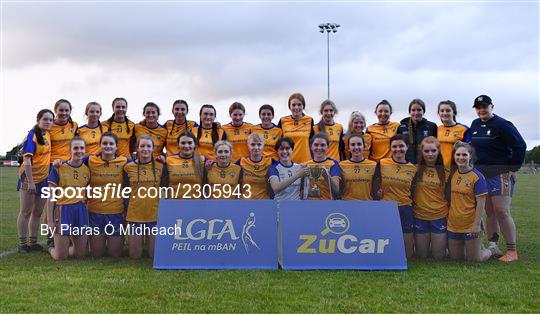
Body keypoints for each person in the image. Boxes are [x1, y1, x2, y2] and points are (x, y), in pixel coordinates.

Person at [469, 95, 526, 262]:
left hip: (499, 174)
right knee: (490, 212)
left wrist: (513, 168)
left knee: (502, 211)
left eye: (485, 106)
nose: (481, 109)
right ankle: (493, 246)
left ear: (491, 106)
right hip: (481, 175)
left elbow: (520, 145)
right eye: (478, 107)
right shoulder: (475, 124)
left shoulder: (503, 125)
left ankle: (512, 251)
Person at [85, 132, 130, 257]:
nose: (108, 146)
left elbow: (143, 164)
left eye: (111, 144)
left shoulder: (124, 161)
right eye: (104, 143)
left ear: (116, 147)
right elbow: (73, 163)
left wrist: (161, 160)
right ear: (100, 145)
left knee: (115, 254)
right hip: (94, 212)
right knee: (96, 254)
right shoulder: (90, 160)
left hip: (116, 213)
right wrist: (58, 163)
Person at [447, 142, 493, 262]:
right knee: (456, 259)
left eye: (464, 155)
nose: (460, 158)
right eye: (458, 154)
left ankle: (491, 250)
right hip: (453, 224)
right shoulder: (452, 174)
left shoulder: (477, 177)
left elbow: (481, 204)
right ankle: (474, 246)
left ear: (470, 156)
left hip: (470, 224)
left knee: (474, 260)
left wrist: (476, 225)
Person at [124, 135, 168, 259]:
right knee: (135, 256)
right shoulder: (128, 167)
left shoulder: (161, 166)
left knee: (153, 255)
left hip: (154, 214)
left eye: (148, 146)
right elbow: (124, 190)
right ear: (137, 148)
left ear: (153, 148)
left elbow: (166, 187)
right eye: (142, 146)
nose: (145, 149)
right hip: (135, 214)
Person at [46, 137, 90, 260]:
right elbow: (51, 196)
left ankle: (64, 246)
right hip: (63, 210)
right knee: (61, 257)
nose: (79, 151)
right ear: (69, 150)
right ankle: (50, 247)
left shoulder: (87, 170)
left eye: (82, 148)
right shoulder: (58, 167)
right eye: (75, 148)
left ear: (85, 150)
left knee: (80, 255)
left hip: (81, 210)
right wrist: (49, 220)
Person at [17, 109, 54, 253]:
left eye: (51, 120)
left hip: (44, 178)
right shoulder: (32, 135)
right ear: (38, 120)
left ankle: (33, 242)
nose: (48, 122)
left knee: (37, 212)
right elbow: (26, 160)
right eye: (45, 119)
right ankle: (22, 243)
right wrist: (31, 182)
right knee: (25, 211)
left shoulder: (48, 134)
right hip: (29, 178)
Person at [378, 134, 417, 258]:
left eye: (401, 146)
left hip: (405, 207)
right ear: (390, 148)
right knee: (385, 238)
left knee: (408, 254)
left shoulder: (413, 168)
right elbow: (374, 183)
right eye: (394, 146)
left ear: (407, 147)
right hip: (386, 207)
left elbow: (415, 190)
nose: (398, 149)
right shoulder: (382, 163)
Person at [413, 137, 448, 259]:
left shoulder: (446, 171)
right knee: (422, 255)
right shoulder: (414, 170)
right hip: (420, 216)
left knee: (438, 256)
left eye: (433, 151)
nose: (430, 154)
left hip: (439, 216)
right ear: (421, 152)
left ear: (438, 151)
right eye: (426, 151)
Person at [397, 99, 437, 164]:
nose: (416, 113)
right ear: (409, 112)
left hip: (425, 165)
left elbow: (436, 147)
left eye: (419, 110)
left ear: (423, 111)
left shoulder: (432, 127)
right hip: (406, 165)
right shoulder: (402, 127)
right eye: (413, 110)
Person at [166, 131, 205, 199]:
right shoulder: (168, 160)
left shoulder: (203, 160)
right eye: (183, 143)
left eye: (190, 143)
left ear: (195, 144)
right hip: (174, 205)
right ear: (178, 144)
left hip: (196, 205)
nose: (186, 146)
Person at [339, 134, 378, 200]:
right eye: (353, 145)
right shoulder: (341, 165)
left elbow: (375, 189)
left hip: (366, 204)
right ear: (348, 148)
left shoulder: (373, 165)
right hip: (347, 205)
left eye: (359, 144)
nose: (356, 147)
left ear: (364, 147)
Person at [278, 93, 314, 163]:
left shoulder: (309, 120)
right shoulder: (283, 121)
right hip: (287, 163)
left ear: (303, 106)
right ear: (289, 106)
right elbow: (277, 143)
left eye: (299, 105)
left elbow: (313, 142)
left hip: (305, 163)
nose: (296, 107)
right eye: (293, 105)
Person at [304, 133, 341, 200]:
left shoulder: (333, 164)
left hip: (327, 205)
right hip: (309, 205)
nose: (319, 148)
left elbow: (336, 190)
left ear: (328, 147)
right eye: (316, 145)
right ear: (311, 147)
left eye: (323, 145)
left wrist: (327, 176)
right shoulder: (305, 165)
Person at [237, 133, 273, 199]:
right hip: (245, 203)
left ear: (263, 145)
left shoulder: (270, 161)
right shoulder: (242, 161)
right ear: (248, 146)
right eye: (253, 144)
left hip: (264, 203)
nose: (256, 147)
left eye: (259, 144)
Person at [437, 100, 470, 169]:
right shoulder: (438, 129)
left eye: (448, 110)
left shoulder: (464, 129)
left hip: (457, 169)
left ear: (454, 113)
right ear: (439, 113)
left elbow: (469, 151)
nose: (444, 113)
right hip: (440, 169)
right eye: (442, 111)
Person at [50, 99, 78, 163]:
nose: (64, 113)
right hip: (51, 163)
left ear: (70, 111)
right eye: (61, 110)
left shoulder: (74, 125)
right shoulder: (49, 125)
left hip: (69, 163)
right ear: (55, 111)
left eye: (67, 110)